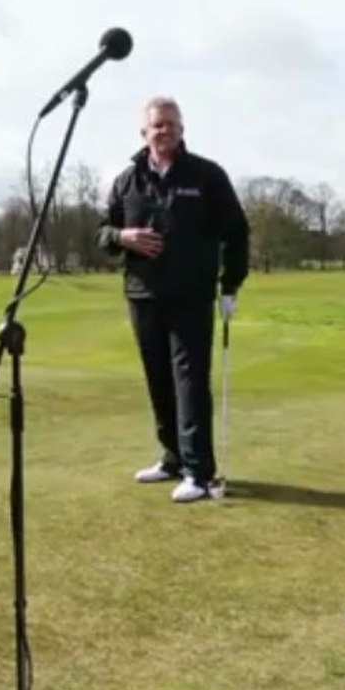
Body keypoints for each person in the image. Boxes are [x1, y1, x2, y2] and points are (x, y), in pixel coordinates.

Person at [95, 97, 250, 503]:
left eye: (170, 125)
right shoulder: (127, 180)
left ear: (182, 130)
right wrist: (121, 237)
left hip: (191, 294)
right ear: (143, 133)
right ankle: (172, 458)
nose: (163, 131)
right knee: (158, 378)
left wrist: (230, 283)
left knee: (190, 381)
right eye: (156, 126)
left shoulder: (206, 176)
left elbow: (237, 231)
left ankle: (199, 472)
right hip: (142, 294)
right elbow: (102, 233)